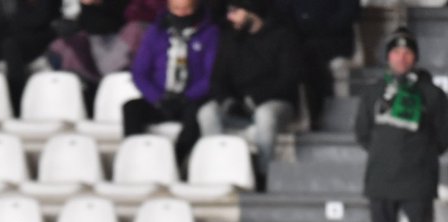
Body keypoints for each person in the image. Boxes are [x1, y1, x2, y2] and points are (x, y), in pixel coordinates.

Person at [355, 27, 448, 222]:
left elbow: (446, 135)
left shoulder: (432, 93)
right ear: (388, 57)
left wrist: (420, 154)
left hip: (418, 180)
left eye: (407, 51)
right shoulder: (373, 91)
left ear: (415, 57)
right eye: (396, 51)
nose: (401, 57)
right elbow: (363, 133)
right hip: (380, 180)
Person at [199, 0, 301, 185]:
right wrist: (228, 101)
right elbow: (217, 79)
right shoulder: (230, 39)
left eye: (235, 11)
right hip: (238, 106)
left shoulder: (283, 37)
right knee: (207, 112)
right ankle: (217, 170)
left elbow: (288, 80)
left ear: (251, 11)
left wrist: (256, 99)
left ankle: (262, 175)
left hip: (275, 103)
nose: (230, 17)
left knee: (265, 115)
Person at [125, 0, 219, 163]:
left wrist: (188, 97)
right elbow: (139, 72)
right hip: (161, 98)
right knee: (131, 108)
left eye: (186, 9)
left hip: (191, 100)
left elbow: (212, 75)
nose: (181, 14)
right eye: (176, 9)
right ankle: (135, 159)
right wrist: (157, 98)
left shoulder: (210, 33)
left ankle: (175, 162)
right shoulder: (156, 32)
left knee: (196, 115)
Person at [274, 0, 359, 130]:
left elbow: (350, 12)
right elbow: (282, 13)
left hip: (335, 40)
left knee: (310, 56)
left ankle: (320, 112)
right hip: (299, 40)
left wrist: (317, 26)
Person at [0, 0, 63, 115]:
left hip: (39, 33)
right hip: (4, 31)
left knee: (10, 47)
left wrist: (10, 26)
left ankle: (16, 105)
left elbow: (42, 16)